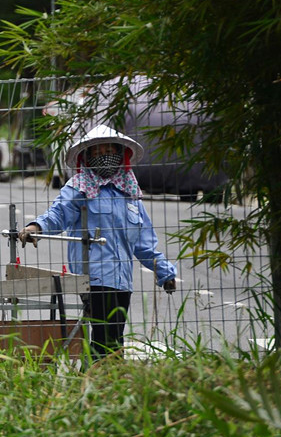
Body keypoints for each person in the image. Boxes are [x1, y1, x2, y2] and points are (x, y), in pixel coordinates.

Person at [18, 124, 177, 358]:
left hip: (122, 280)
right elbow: (58, 214)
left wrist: (165, 272)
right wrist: (36, 227)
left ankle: (101, 375)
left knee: (115, 336)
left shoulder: (130, 194)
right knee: (105, 337)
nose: (104, 156)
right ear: (87, 157)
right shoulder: (79, 187)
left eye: (109, 150)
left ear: (120, 154)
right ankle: (101, 374)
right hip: (94, 277)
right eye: (97, 152)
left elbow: (144, 244)